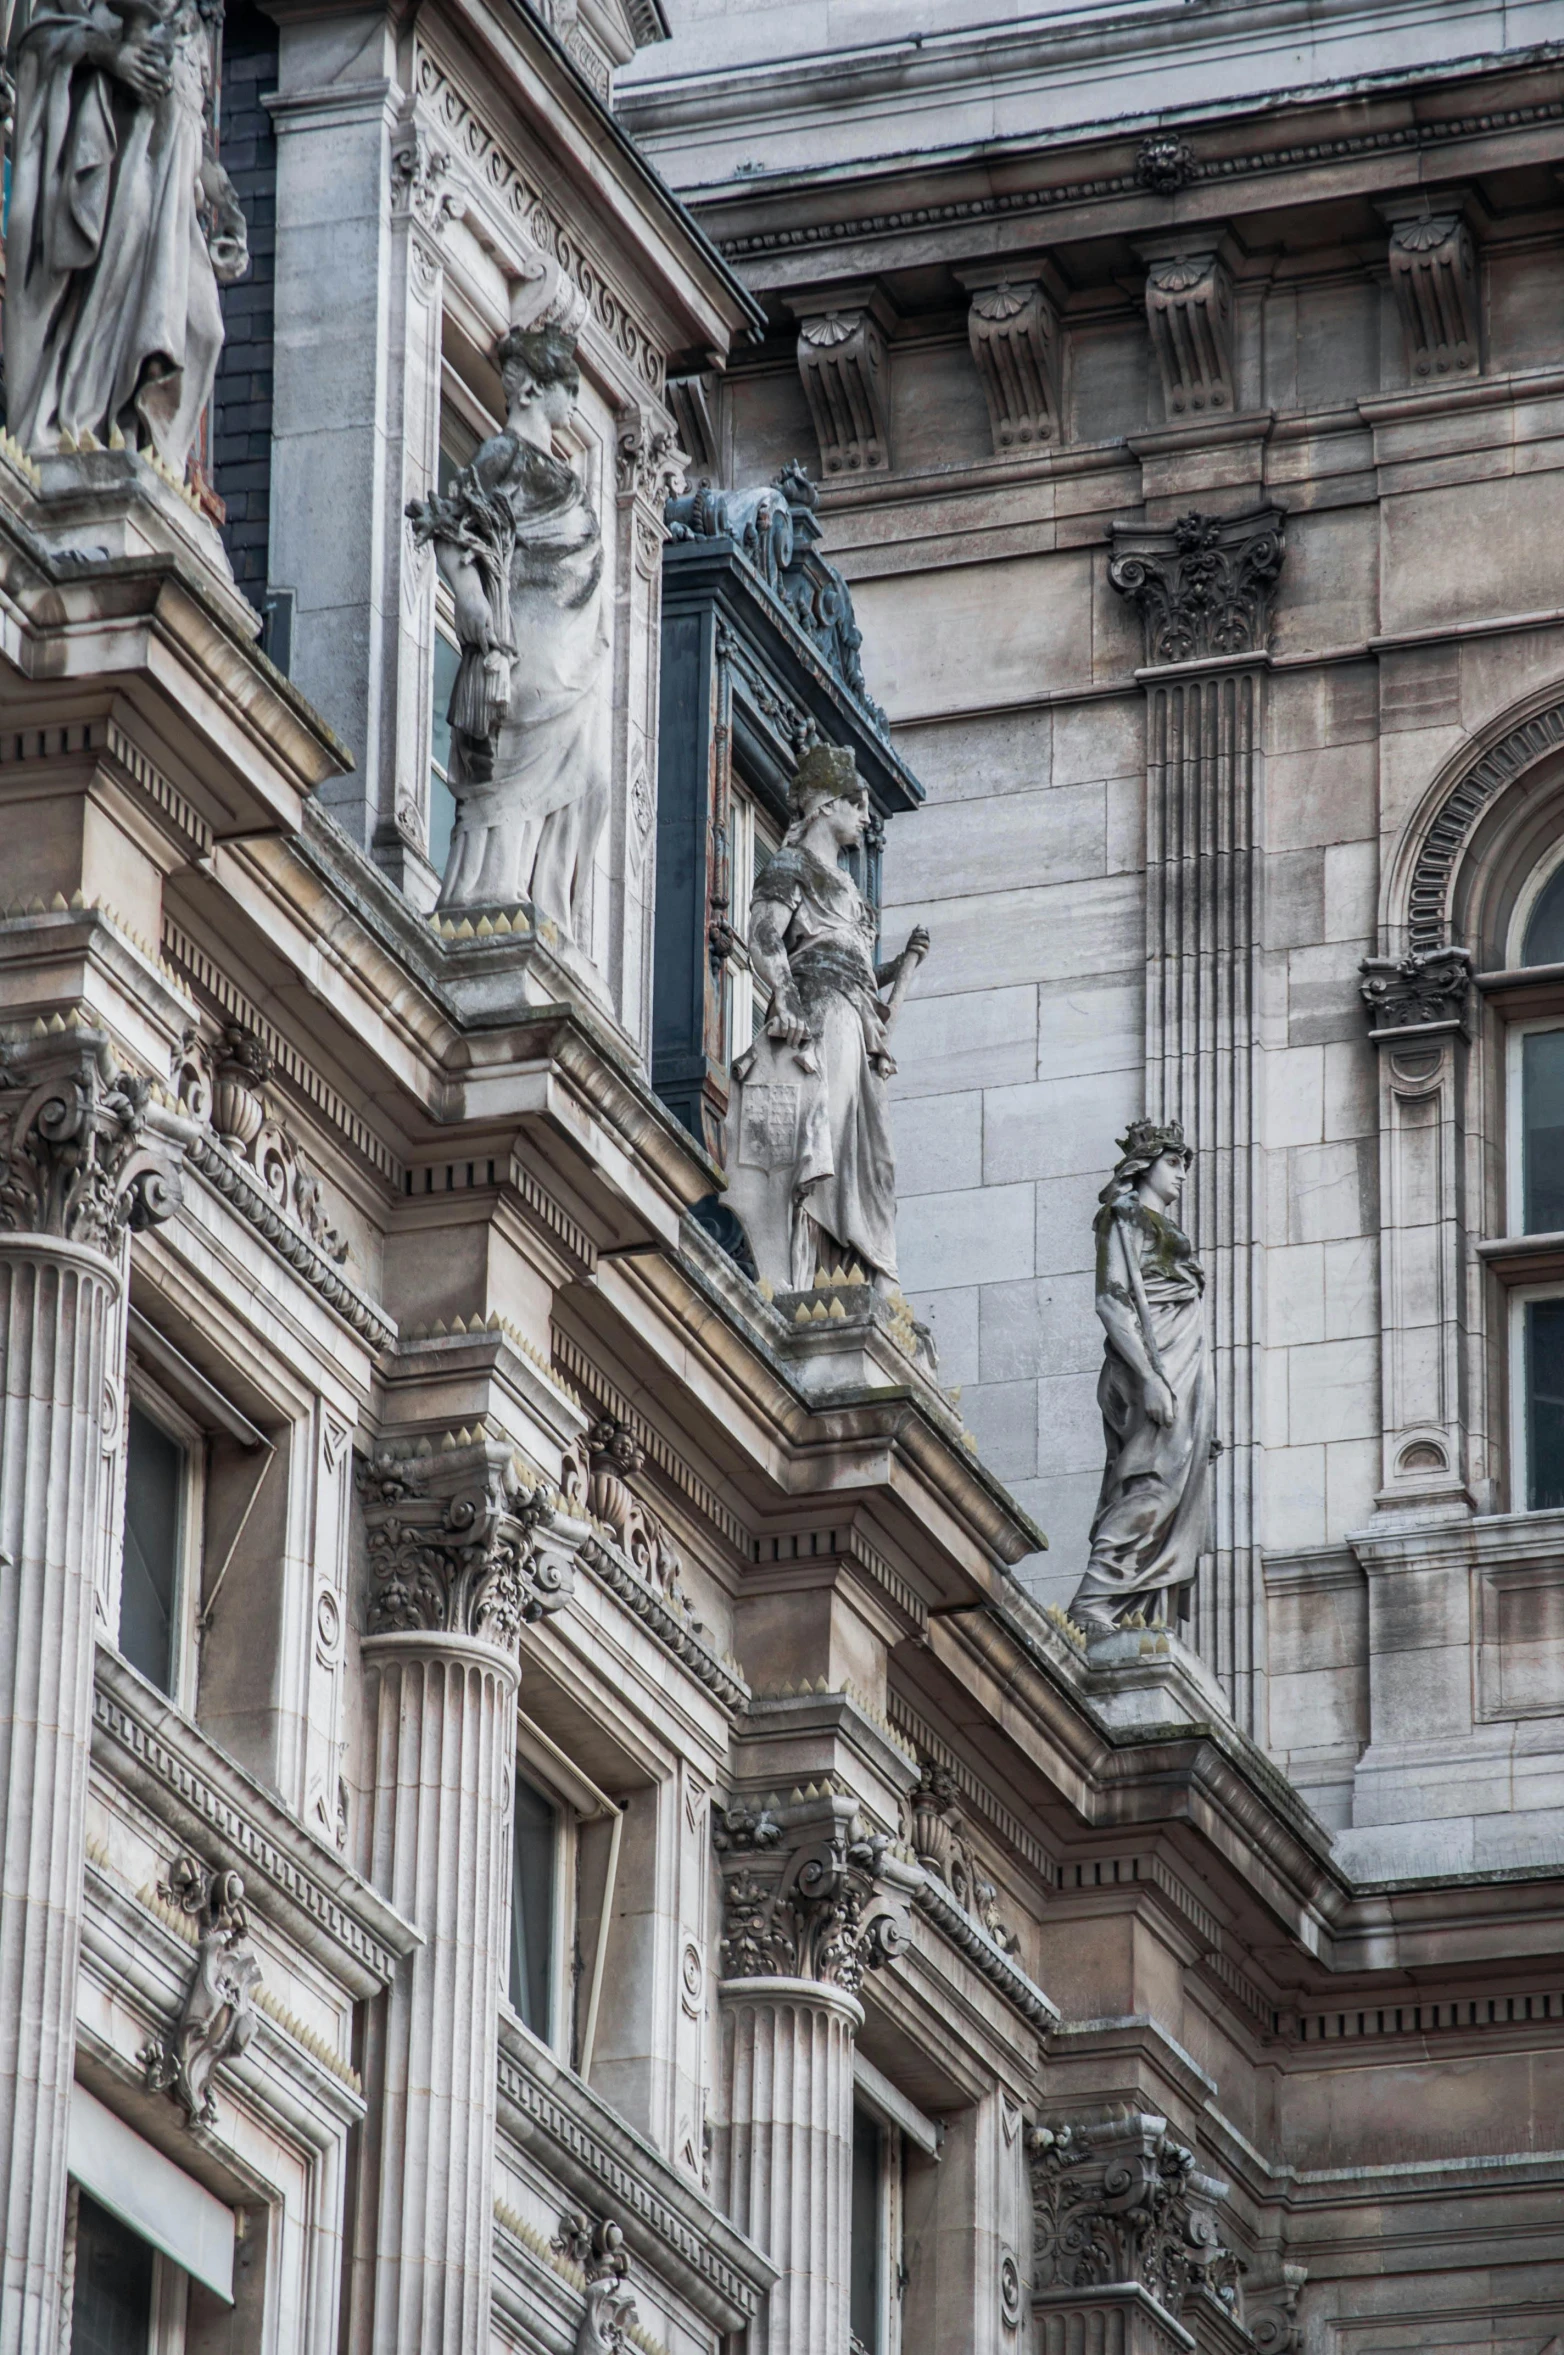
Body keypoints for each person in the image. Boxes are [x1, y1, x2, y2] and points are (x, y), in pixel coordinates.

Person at [407, 323, 609, 944]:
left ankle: (546, 899)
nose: (573, 402)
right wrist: (468, 598)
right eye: (564, 388)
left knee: (594, 777)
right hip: (530, 639)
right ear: (531, 392)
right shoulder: (503, 455)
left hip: (571, 644)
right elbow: (451, 528)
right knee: (520, 760)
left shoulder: (556, 468)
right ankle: (490, 890)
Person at [5, 0, 248, 466]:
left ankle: (153, 455)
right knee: (120, 259)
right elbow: (39, 38)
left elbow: (194, 126)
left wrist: (230, 211)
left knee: (207, 330)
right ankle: (87, 423)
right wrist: (108, 54)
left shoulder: (194, 21)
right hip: (123, 162)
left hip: (175, 194)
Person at [724, 742, 928, 1293]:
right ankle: (809, 1256)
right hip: (825, 1014)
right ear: (824, 805)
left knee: (874, 1160)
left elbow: (853, 960)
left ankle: (854, 1265)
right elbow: (765, 934)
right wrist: (785, 997)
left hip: (858, 1021)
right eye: (856, 803)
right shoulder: (794, 866)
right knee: (826, 1137)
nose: (865, 816)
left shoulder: (850, 890)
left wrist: (899, 966)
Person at [1069, 1118, 1214, 1633]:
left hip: (1184, 1369)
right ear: (1144, 1166)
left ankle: (1137, 1611)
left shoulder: (1165, 1228)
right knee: (1150, 1483)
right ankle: (1095, 1598)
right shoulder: (1124, 1217)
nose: (1181, 1175)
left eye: (1183, 1165)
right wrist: (1151, 1378)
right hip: (1149, 1367)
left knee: (1173, 1488)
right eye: (1172, 1163)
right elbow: (1112, 1302)